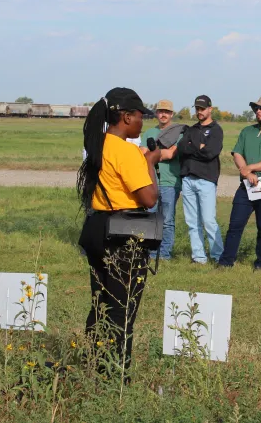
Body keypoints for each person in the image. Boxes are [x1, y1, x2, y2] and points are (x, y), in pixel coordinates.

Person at [76, 88, 161, 371]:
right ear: (126, 117)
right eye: (139, 116)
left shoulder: (98, 144)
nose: (141, 122)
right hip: (123, 234)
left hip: (96, 227)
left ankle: (93, 364)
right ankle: (114, 375)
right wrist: (149, 163)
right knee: (122, 311)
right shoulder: (127, 151)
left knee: (100, 303)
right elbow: (149, 198)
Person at [218, 96, 261, 270]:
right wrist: (246, 172)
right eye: (257, 108)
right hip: (246, 185)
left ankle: (260, 264)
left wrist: (251, 168)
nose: (258, 111)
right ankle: (226, 262)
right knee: (235, 225)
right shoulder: (247, 131)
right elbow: (237, 153)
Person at [179, 95, 224, 264]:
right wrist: (199, 147)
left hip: (206, 179)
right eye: (197, 108)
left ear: (210, 109)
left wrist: (193, 147)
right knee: (192, 222)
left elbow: (210, 153)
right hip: (188, 179)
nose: (199, 111)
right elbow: (182, 148)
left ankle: (218, 255)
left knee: (208, 220)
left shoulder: (216, 130)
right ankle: (198, 257)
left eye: (202, 108)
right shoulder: (191, 129)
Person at [140, 100, 186, 261]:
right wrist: (159, 153)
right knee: (150, 218)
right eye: (160, 111)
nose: (163, 114)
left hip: (170, 182)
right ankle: (149, 252)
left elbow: (171, 154)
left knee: (167, 220)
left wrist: (153, 154)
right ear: (156, 113)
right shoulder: (149, 132)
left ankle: (165, 254)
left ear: (171, 114)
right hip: (150, 182)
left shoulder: (179, 133)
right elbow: (142, 155)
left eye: (166, 111)